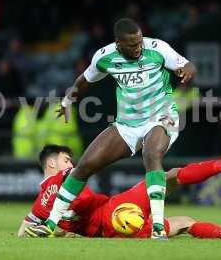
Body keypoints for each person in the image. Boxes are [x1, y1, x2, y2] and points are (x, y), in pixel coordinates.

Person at [44, 18, 197, 239]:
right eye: (133, 45)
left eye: (140, 42)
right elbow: (84, 81)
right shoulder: (105, 57)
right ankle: (49, 223)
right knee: (85, 165)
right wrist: (67, 102)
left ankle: (157, 228)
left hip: (162, 117)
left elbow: (186, 64)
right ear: (119, 43)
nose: (138, 48)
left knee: (151, 153)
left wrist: (187, 71)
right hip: (127, 124)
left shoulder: (157, 48)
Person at [19, 131, 221, 240]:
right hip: (116, 210)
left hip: (115, 231)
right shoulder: (65, 178)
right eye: (65, 159)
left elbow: (24, 229)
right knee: (169, 176)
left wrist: (63, 231)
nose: (71, 163)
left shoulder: (41, 204)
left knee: (185, 223)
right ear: (51, 162)